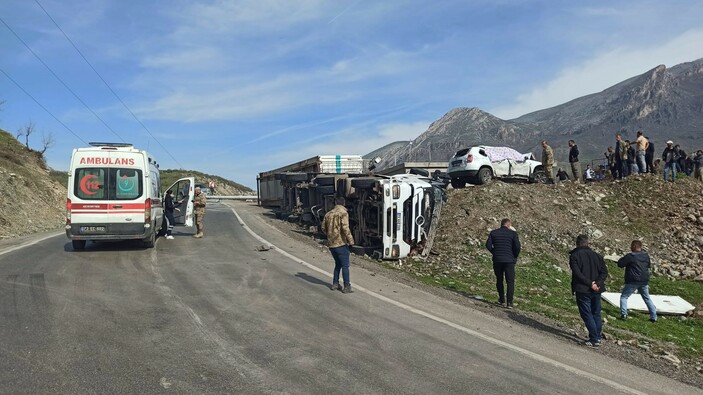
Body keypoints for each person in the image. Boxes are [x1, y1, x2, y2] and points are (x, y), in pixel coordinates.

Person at [569, 234, 608, 347]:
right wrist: (597, 283)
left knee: (587, 314)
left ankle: (594, 338)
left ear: (577, 243)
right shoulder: (597, 256)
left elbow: (577, 273)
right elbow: (604, 272)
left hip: (583, 289)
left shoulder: (574, 256)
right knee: (596, 313)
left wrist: (590, 283)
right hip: (597, 289)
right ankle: (597, 337)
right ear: (588, 243)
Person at [321, 196, 355, 293]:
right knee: (345, 265)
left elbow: (323, 228)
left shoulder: (328, 214)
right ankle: (347, 285)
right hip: (341, 243)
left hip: (331, 245)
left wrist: (330, 235)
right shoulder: (343, 213)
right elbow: (345, 228)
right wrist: (351, 241)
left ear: (335, 203)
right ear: (343, 203)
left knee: (338, 264)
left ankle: (335, 284)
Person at [617, 240, 657, 322]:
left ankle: (624, 314)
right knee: (647, 298)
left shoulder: (630, 256)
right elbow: (648, 265)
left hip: (632, 280)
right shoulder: (646, 256)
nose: (630, 247)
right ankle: (654, 317)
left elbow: (620, 264)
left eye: (631, 246)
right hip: (644, 280)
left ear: (634, 246)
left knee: (624, 296)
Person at [485, 218, 521, 308]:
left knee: (499, 279)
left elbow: (488, 245)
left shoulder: (494, 233)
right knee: (510, 281)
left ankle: (501, 299)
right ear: (509, 225)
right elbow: (517, 247)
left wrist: (495, 252)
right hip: (509, 260)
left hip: (497, 260)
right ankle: (510, 302)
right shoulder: (513, 233)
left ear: (501, 224)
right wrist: (514, 256)